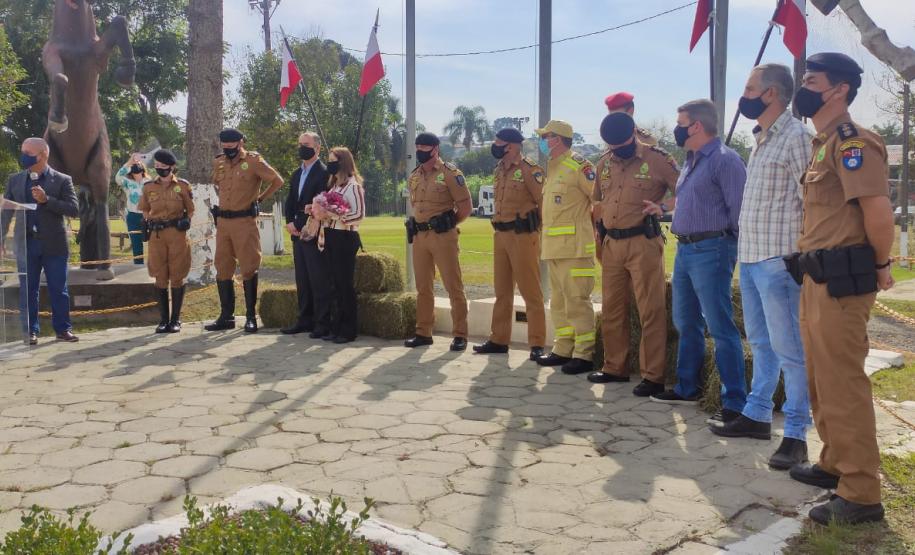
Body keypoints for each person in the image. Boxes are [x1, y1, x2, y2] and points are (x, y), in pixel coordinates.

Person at [786, 52, 894, 526]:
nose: (803, 86)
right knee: (820, 377)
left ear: (839, 90)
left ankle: (861, 492)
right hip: (816, 277)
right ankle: (835, 463)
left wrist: (882, 264)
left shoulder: (853, 143)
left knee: (843, 382)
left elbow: (877, 210)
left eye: (812, 80)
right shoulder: (822, 143)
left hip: (843, 282)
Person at [709, 63, 813, 472]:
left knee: (791, 349)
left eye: (750, 87)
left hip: (778, 260)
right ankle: (756, 415)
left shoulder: (797, 137)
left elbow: (814, 200)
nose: (745, 94)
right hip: (751, 258)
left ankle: (797, 433)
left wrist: (800, 254)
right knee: (763, 344)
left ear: (771, 93)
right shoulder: (762, 139)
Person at [650, 100, 747, 426]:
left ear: (695, 126)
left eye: (680, 122)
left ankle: (735, 401)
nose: (676, 128)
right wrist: (663, 208)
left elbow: (739, 214)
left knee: (720, 327)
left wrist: (727, 249)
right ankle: (686, 386)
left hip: (713, 249)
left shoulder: (726, 161)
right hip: (686, 250)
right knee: (686, 321)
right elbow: (691, 202)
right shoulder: (691, 161)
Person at [591, 113, 679, 397]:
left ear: (634, 135)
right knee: (612, 308)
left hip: (643, 241)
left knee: (650, 309)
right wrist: (599, 230)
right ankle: (614, 367)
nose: (618, 150)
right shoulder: (605, 162)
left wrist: (663, 206)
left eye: (623, 144)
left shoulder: (658, 160)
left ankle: (652, 375)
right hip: (612, 244)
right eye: (612, 146)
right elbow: (598, 201)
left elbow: (686, 190)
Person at [473, 127, 546, 360]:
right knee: (502, 291)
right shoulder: (499, 170)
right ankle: (499, 339)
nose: (495, 146)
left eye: (499, 142)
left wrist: (536, 229)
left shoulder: (529, 170)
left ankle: (536, 344)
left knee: (530, 292)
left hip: (523, 236)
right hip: (501, 236)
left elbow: (543, 202)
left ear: (512, 146)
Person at [0, 138, 79, 345]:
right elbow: (6, 213)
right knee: (28, 289)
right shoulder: (15, 180)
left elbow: (73, 209)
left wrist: (47, 201)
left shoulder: (62, 180)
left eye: (28, 152)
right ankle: (30, 331)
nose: (23, 155)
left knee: (58, 288)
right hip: (26, 244)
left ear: (43, 154)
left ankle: (63, 330)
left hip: (54, 244)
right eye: (22, 151)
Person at [534, 120, 598, 375]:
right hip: (553, 249)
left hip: (575, 249)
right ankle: (563, 348)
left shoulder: (579, 166)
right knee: (559, 302)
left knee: (577, 302)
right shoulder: (553, 168)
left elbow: (599, 200)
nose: (542, 141)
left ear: (557, 139)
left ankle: (584, 354)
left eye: (545, 137)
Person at [205, 128, 284, 333]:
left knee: (249, 267)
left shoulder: (254, 161)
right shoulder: (219, 162)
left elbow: (277, 180)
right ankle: (226, 316)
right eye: (225, 145)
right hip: (223, 222)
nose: (228, 149)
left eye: (231, 145)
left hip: (244, 221)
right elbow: (216, 182)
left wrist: (260, 199)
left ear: (240, 142)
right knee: (222, 267)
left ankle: (250, 316)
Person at [403, 132, 472, 351]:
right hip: (420, 236)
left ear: (435, 149)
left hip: (443, 237)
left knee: (453, 286)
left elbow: (466, 207)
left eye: (424, 147)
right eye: (417, 147)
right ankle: (423, 332)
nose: (420, 151)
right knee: (423, 287)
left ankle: (460, 334)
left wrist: (449, 222)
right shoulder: (414, 175)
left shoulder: (450, 173)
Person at [137, 149, 194, 333]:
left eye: (164, 166)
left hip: (177, 233)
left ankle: (175, 320)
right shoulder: (148, 187)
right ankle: (163, 320)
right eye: (157, 166)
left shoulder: (183, 186)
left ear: (172, 167)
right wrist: (149, 222)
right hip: (157, 236)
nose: (160, 169)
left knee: (177, 274)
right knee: (160, 275)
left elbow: (190, 209)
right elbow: (145, 209)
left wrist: (187, 220)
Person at [281, 132, 331, 336]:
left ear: (317, 148)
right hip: (297, 230)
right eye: (300, 144)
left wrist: (302, 223)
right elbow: (291, 201)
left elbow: (321, 202)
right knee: (302, 278)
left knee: (317, 278)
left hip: (314, 229)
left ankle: (322, 323)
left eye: (307, 144)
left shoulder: (324, 173)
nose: (302, 148)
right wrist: (290, 223)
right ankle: (304, 319)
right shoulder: (296, 173)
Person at [321, 146, 365, 344]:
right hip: (331, 235)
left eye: (333, 160)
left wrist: (334, 213)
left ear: (343, 162)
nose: (330, 164)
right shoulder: (334, 186)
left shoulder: (353, 186)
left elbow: (359, 215)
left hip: (345, 238)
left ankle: (348, 329)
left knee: (344, 284)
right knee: (333, 284)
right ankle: (335, 326)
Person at [115, 153, 148, 265]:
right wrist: (130, 162)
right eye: (134, 171)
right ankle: (138, 267)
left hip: (148, 216)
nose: (136, 173)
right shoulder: (128, 183)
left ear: (143, 170)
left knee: (154, 243)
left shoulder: (149, 182)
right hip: (133, 217)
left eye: (138, 170)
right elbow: (118, 177)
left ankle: (155, 268)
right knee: (136, 244)